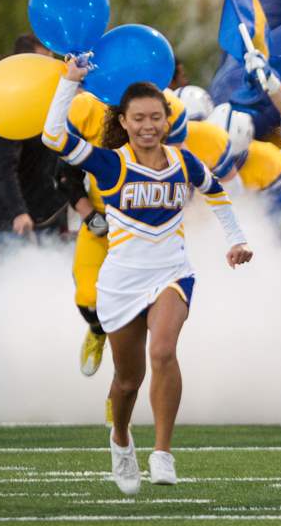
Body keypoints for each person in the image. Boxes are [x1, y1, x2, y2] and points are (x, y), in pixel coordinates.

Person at [42, 58, 253, 495]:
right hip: (120, 281)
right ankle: (120, 438)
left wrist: (236, 239)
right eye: (138, 118)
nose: (147, 126)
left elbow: (216, 191)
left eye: (156, 117)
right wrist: (69, 82)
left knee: (163, 351)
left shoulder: (183, 161)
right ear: (123, 120)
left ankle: (163, 452)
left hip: (172, 273)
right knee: (126, 381)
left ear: (167, 119)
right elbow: (54, 137)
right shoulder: (110, 164)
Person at [61, 84, 189, 381]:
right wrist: (88, 215)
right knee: (87, 297)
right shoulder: (86, 110)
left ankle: (123, 388)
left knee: (147, 312)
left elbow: (181, 168)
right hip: (101, 222)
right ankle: (97, 330)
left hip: (146, 222)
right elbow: (64, 173)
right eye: (137, 117)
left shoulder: (168, 111)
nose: (146, 125)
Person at [0, 34, 69, 241]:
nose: (49, 68)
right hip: (16, 224)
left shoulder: (47, 103)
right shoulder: (5, 104)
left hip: (49, 216)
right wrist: (18, 212)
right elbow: (3, 167)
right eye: (42, 61)